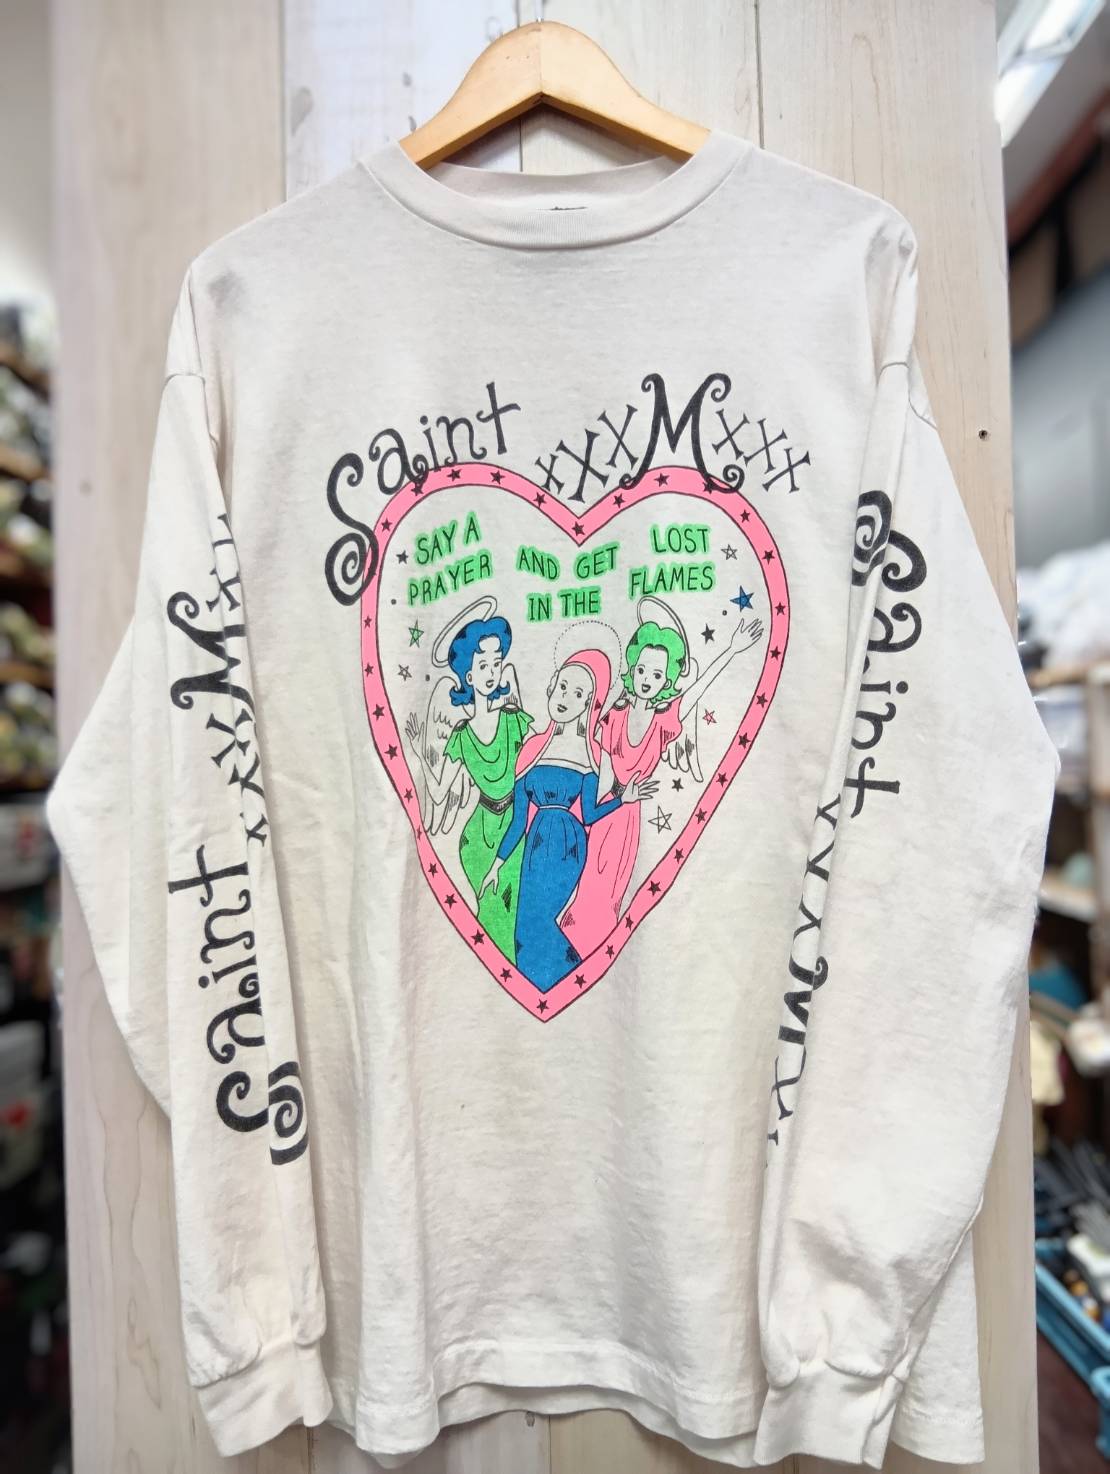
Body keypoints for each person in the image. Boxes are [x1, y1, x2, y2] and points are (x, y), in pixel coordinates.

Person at [561, 612, 764, 957]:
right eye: (642, 670)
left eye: (656, 674)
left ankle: (595, 949)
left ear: (667, 680)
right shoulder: (614, 717)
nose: (646, 679)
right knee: (590, 883)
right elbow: (602, 780)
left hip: (628, 820)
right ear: (632, 669)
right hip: (607, 811)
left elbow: (696, 691)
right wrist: (609, 804)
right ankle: (575, 945)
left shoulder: (663, 721)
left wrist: (731, 650)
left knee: (614, 890)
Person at [481, 649, 656, 992]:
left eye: (578, 693)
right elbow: (518, 821)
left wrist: (622, 800)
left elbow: (589, 815)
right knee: (525, 925)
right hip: (534, 846)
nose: (565, 698)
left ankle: (573, 985)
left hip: (569, 846)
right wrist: (496, 865)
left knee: (543, 919)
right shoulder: (532, 748)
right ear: (551, 686)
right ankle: (553, 989)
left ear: (588, 704)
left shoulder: (591, 754)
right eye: (562, 687)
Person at [405, 611, 532, 961]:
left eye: (497, 663)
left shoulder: (514, 720)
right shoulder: (461, 736)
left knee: (515, 907)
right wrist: (419, 753)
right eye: (483, 665)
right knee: (490, 910)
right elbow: (439, 792)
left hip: (516, 826)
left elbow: (541, 754)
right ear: (469, 675)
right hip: (478, 838)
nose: (492, 672)